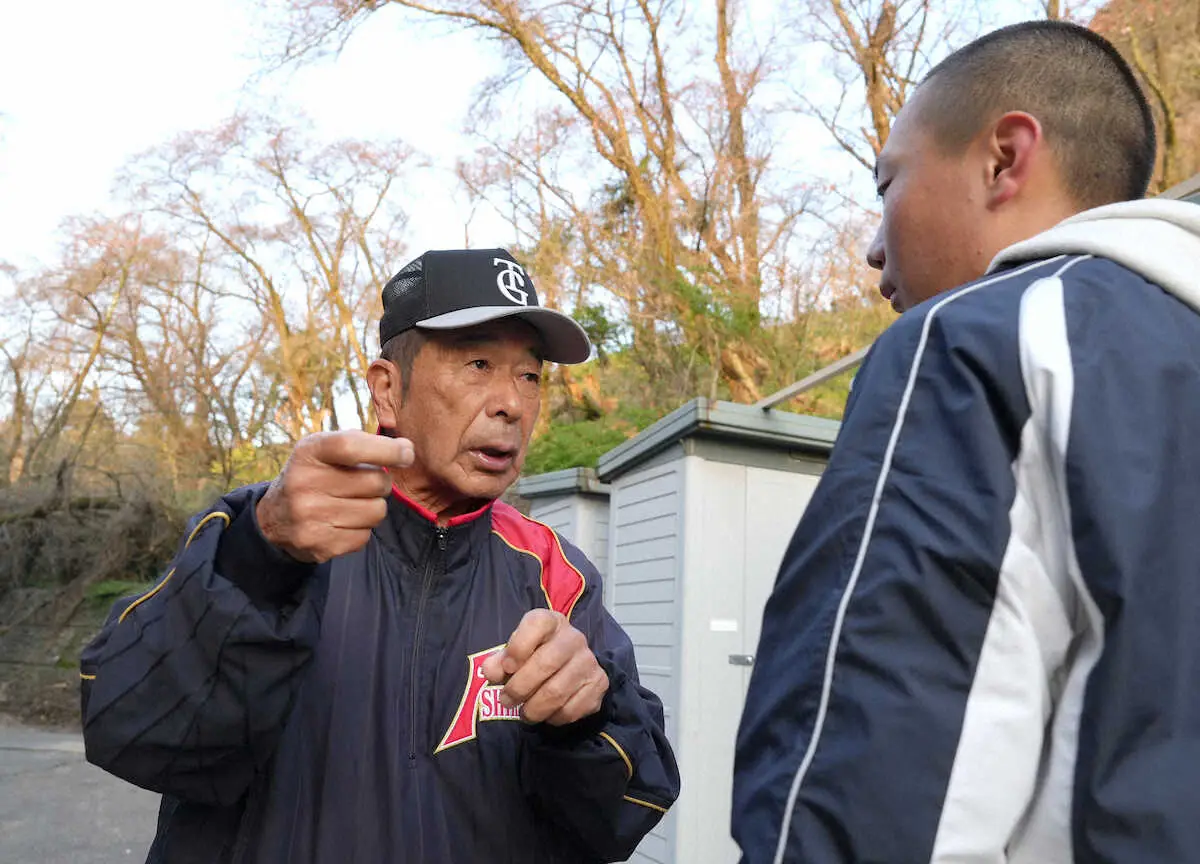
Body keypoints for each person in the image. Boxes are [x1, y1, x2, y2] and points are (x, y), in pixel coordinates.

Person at [734, 20, 1200, 864]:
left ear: (1004, 159)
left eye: (887, 185)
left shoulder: (976, 344)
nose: (876, 248)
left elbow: (870, 816)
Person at [80, 248, 680, 864]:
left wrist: (585, 719)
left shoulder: (554, 571)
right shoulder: (267, 532)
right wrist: (259, 564)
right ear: (388, 390)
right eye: (478, 363)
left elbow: (623, 815)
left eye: (529, 376)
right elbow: (130, 729)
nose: (512, 404)